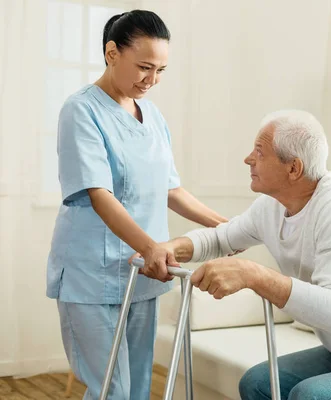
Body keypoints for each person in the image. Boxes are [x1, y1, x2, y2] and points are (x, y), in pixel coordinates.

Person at [159, 110, 331, 400]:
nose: (248, 159)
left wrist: (254, 275)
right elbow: (221, 237)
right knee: (257, 383)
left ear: (293, 168)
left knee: (311, 395)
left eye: (259, 152)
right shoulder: (270, 207)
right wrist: (169, 248)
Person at [45, 10, 227, 399]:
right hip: (91, 274)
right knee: (113, 389)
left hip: (143, 273)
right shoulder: (81, 110)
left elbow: (171, 190)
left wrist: (226, 228)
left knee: (140, 387)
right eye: (144, 67)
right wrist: (152, 249)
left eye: (161, 70)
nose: (152, 80)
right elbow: (99, 195)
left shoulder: (153, 116)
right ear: (112, 53)